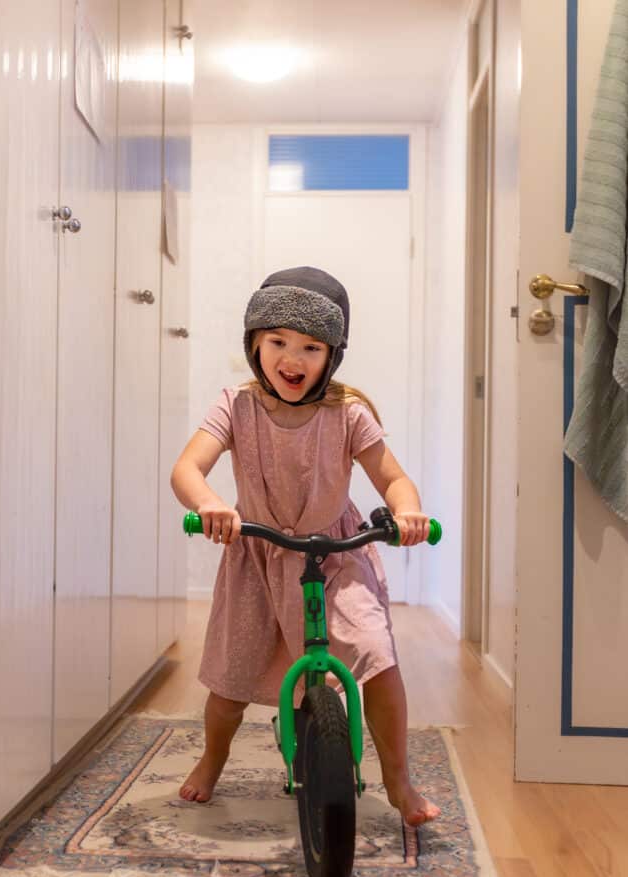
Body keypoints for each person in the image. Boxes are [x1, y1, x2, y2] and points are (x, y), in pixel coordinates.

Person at [170, 266, 440, 827]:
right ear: (255, 346)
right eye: (277, 343)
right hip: (257, 559)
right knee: (229, 680)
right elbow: (187, 468)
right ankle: (212, 759)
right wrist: (210, 504)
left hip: (335, 554)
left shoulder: (347, 412)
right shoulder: (236, 406)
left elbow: (393, 479)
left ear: (331, 355)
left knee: (378, 660)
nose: (292, 359)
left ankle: (399, 779)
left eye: (310, 347)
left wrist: (407, 510)